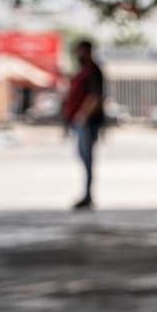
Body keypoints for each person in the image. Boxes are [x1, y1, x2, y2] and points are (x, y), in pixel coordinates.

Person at [61, 39, 105, 210]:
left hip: (87, 122)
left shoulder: (93, 71)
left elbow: (94, 97)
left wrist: (82, 116)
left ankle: (88, 196)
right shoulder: (83, 71)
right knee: (83, 158)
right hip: (79, 122)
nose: (77, 55)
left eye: (80, 51)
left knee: (87, 159)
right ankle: (86, 194)